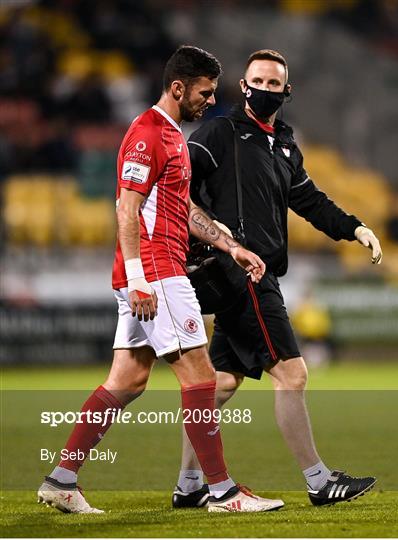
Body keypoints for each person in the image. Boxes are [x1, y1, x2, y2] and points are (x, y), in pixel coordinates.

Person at [37, 46, 284, 514]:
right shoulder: (147, 134)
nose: (211, 101)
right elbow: (126, 209)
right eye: (205, 92)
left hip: (152, 272)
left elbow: (184, 209)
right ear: (178, 88)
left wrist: (230, 246)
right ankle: (221, 492)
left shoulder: (173, 137)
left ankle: (62, 480)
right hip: (155, 272)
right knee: (201, 374)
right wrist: (139, 279)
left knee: (127, 381)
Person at [173, 49, 383, 508]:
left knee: (221, 383)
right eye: (257, 82)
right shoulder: (218, 132)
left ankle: (188, 485)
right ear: (243, 87)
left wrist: (354, 227)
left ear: (286, 91)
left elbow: (311, 202)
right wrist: (208, 236)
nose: (265, 90)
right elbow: (177, 187)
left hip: (252, 272)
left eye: (274, 84)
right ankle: (318, 480)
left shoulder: (284, 145)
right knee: (291, 373)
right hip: (243, 270)